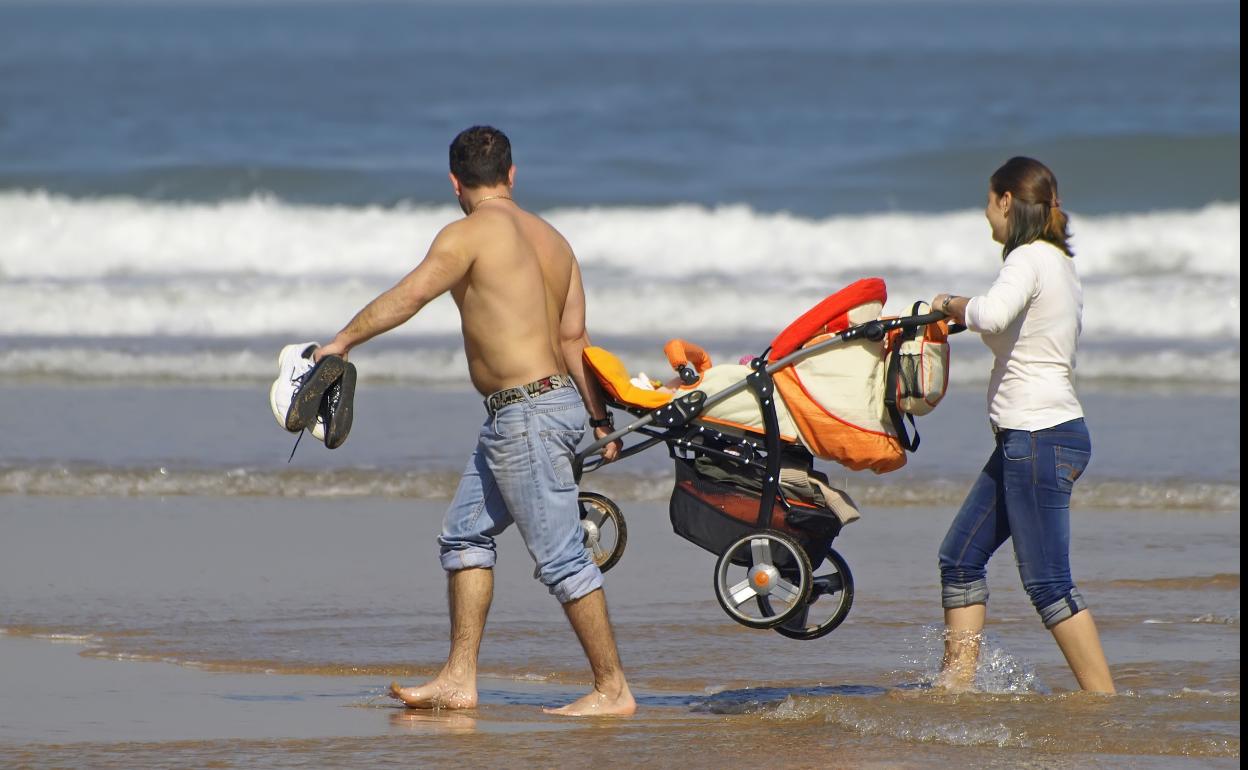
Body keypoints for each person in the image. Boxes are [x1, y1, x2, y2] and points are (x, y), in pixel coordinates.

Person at [313, 125, 634, 716]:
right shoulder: (555, 240)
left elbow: (411, 295)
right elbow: (574, 339)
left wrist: (343, 340)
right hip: (552, 404)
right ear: (512, 175)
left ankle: (612, 688)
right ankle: (459, 678)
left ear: (456, 182)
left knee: (562, 556)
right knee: (464, 535)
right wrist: (596, 420)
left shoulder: (466, 234)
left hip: (525, 416)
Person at [930, 156, 1115, 694]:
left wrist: (950, 303)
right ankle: (955, 686)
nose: (988, 215)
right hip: (1036, 437)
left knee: (1048, 583)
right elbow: (1014, 330)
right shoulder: (1058, 262)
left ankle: (1102, 698)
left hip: (1038, 437)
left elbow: (989, 314)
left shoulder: (1027, 258)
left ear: (1007, 201)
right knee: (959, 559)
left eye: (990, 202)